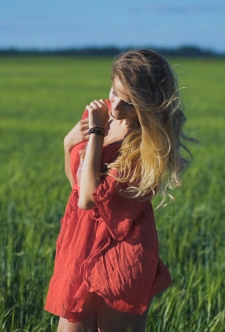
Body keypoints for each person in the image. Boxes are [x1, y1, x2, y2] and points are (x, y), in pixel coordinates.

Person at [45, 49, 196, 332]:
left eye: (129, 103)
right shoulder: (103, 116)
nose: (115, 107)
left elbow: (90, 199)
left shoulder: (144, 147)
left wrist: (96, 134)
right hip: (82, 240)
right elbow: (79, 187)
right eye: (114, 93)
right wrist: (68, 143)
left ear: (148, 106)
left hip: (120, 251)